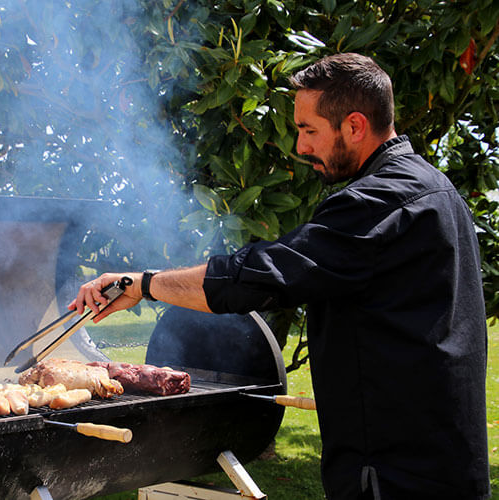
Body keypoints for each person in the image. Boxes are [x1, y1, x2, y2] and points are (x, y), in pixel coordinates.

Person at [69, 53, 490, 499]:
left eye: (309, 130)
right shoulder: (436, 190)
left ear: (354, 126)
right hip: (444, 461)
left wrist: (145, 284)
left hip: (394, 473)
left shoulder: (379, 204)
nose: (301, 147)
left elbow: (260, 276)